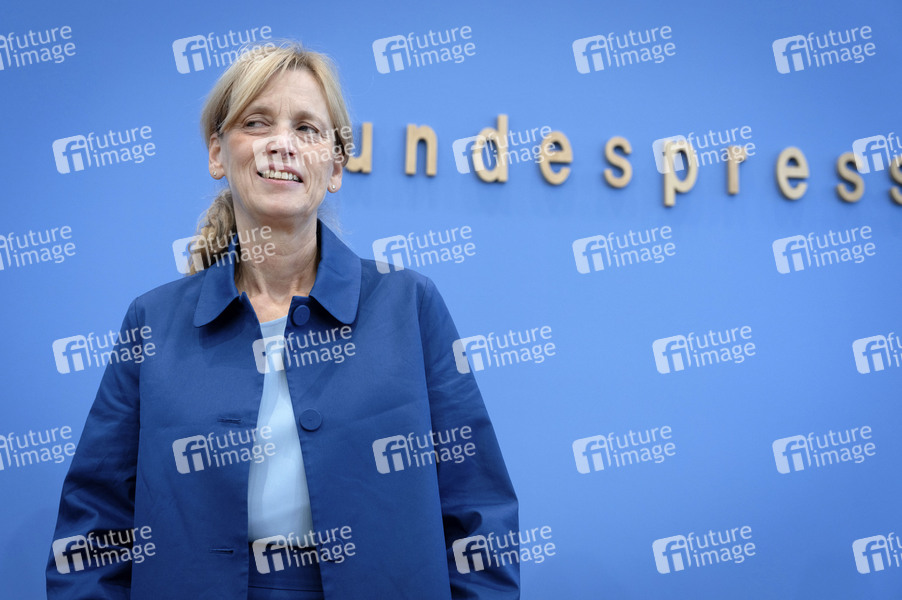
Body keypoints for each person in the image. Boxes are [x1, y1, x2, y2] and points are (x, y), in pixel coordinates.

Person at [46, 43, 519, 599]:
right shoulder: (151, 321)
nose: (281, 144)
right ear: (217, 153)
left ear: (335, 166)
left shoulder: (409, 304)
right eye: (256, 122)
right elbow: (94, 526)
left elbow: (478, 509)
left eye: (307, 128)